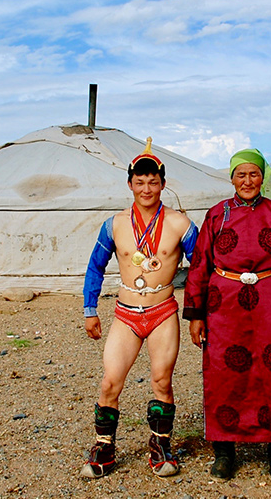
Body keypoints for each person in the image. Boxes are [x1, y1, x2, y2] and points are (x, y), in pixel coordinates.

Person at [183, 149, 271, 483]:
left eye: (253, 174)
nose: (247, 181)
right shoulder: (217, 216)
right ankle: (225, 450)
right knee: (225, 376)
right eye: (240, 175)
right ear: (231, 178)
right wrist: (196, 314)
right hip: (224, 307)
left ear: (263, 177)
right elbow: (199, 265)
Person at [80, 138, 198, 479]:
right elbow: (95, 267)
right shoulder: (114, 225)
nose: (147, 188)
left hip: (162, 311)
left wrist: (199, 313)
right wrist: (90, 309)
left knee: (162, 380)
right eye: (140, 181)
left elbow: (203, 266)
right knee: (109, 383)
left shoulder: (180, 224)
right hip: (126, 313)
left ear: (162, 184)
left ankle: (161, 447)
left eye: (154, 181)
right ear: (130, 183)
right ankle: (104, 447)